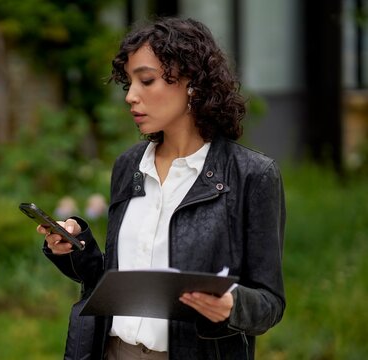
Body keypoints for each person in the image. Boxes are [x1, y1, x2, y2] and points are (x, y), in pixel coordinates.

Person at [37, 17, 285, 360]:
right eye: (129, 82)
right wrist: (76, 250)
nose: (130, 96)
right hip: (112, 352)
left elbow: (269, 302)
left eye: (146, 80)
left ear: (192, 84)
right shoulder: (129, 166)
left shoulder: (252, 176)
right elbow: (119, 281)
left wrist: (232, 305)